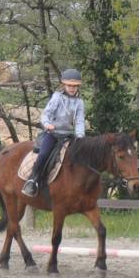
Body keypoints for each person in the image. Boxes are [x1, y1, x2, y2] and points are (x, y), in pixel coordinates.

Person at [21, 68, 86, 197]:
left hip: (68, 135)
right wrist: (47, 124)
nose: (72, 88)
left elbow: (79, 121)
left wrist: (80, 136)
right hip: (53, 133)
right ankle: (33, 180)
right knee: (44, 154)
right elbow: (46, 114)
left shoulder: (79, 102)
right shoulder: (57, 97)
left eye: (74, 86)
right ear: (64, 85)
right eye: (69, 85)